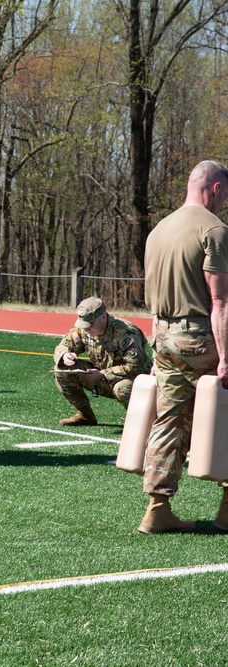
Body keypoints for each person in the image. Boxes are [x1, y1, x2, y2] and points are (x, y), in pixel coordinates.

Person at [139, 159, 228, 534]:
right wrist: (225, 358)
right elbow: (220, 301)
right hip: (200, 337)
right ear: (216, 189)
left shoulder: (159, 229)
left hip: (163, 338)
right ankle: (227, 509)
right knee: (224, 413)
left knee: (169, 419)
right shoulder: (215, 230)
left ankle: (157, 507)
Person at [54, 296, 151, 426]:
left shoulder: (125, 333)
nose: (86, 329)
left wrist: (103, 373)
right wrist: (66, 354)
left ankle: (143, 423)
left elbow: (137, 367)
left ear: (103, 317)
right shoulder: (84, 329)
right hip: (101, 378)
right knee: (62, 370)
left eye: (90, 324)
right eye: (84, 324)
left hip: (131, 381)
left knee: (123, 388)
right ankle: (85, 415)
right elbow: (63, 346)